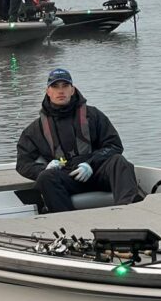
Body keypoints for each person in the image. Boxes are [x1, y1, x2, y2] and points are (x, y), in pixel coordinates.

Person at [16, 68, 142, 213]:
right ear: (48, 91)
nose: (60, 91)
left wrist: (91, 164)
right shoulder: (35, 129)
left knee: (119, 161)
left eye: (65, 86)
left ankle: (131, 211)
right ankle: (67, 222)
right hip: (67, 177)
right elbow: (23, 164)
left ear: (72, 90)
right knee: (45, 178)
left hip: (96, 172)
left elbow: (114, 145)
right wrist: (45, 168)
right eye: (55, 87)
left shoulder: (93, 115)